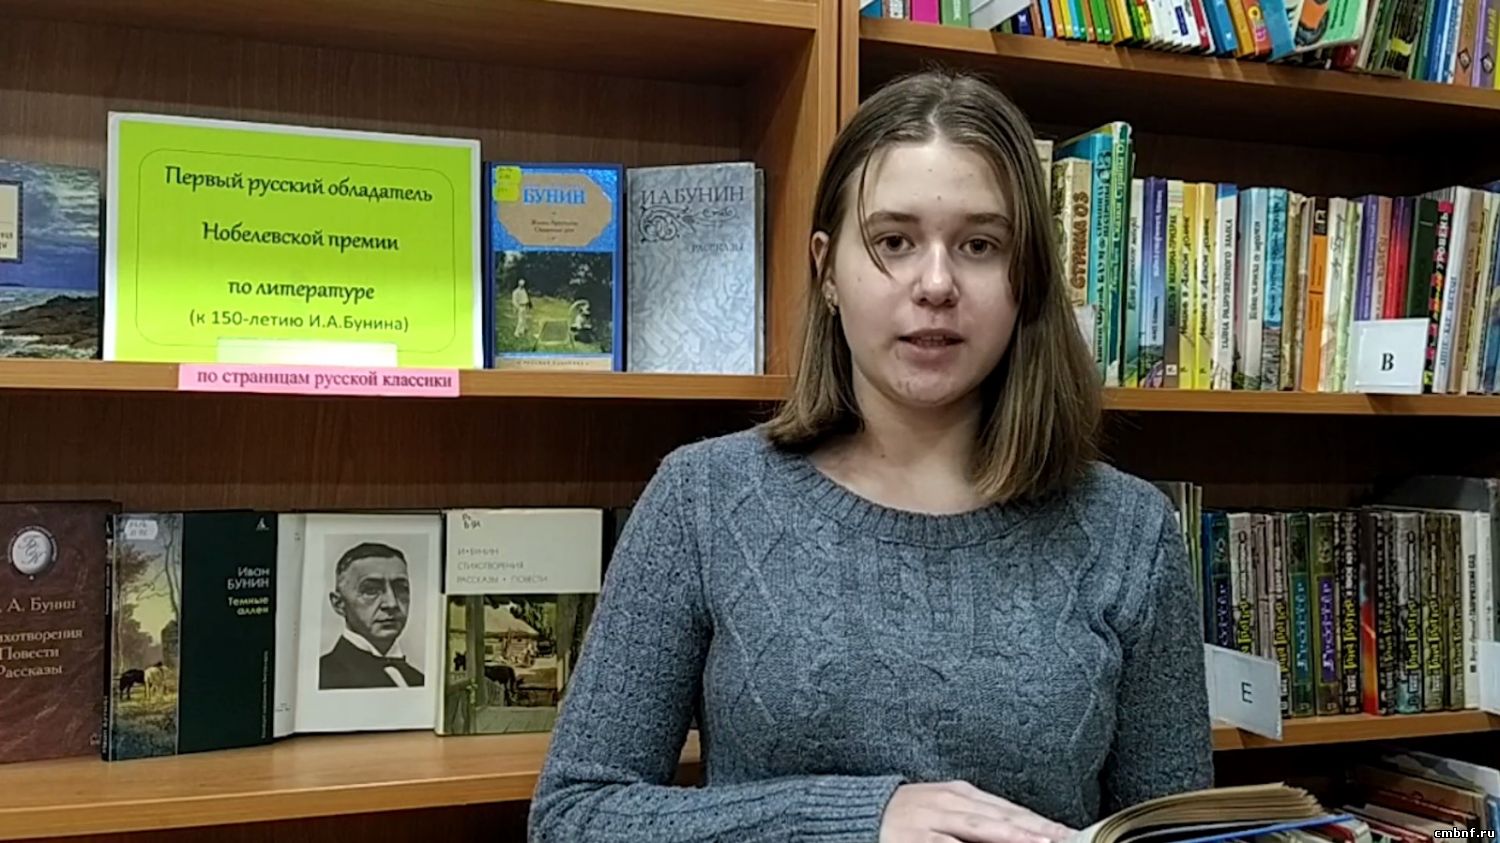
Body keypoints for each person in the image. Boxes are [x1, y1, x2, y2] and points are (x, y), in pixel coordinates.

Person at [529, 68, 1212, 843]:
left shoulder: (1130, 531)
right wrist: (859, 818)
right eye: (893, 241)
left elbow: (1178, 831)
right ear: (827, 269)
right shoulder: (704, 499)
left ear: (1026, 278)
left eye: (980, 245)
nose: (936, 283)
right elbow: (575, 815)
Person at [319, 541, 425, 690]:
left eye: (401, 588)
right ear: (339, 604)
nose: (392, 603)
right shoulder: (323, 677)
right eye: (370, 590)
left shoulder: (419, 679)